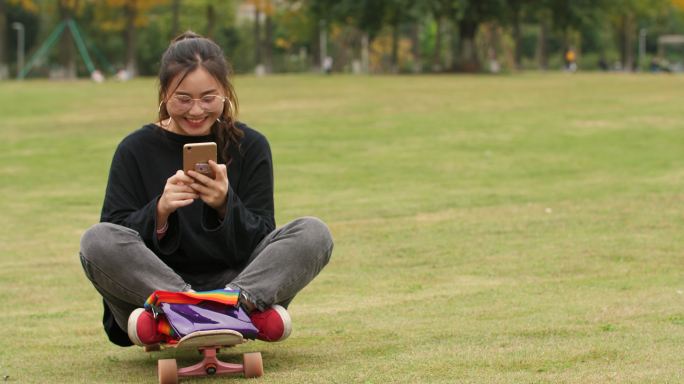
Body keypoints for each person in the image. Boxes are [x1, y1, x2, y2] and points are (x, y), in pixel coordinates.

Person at [79, 31, 334, 347]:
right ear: (164, 95)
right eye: (183, 99)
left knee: (314, 233)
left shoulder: (250, 146)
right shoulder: (135, 149)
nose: (196, 111)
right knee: (95, 240)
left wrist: (226, 205)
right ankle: (215, 313)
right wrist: (159, 211)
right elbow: (114, 236)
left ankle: (191, 316)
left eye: (208, 98)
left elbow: (262, 238)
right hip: (155, 286)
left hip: (236, 283)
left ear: (226, 93)